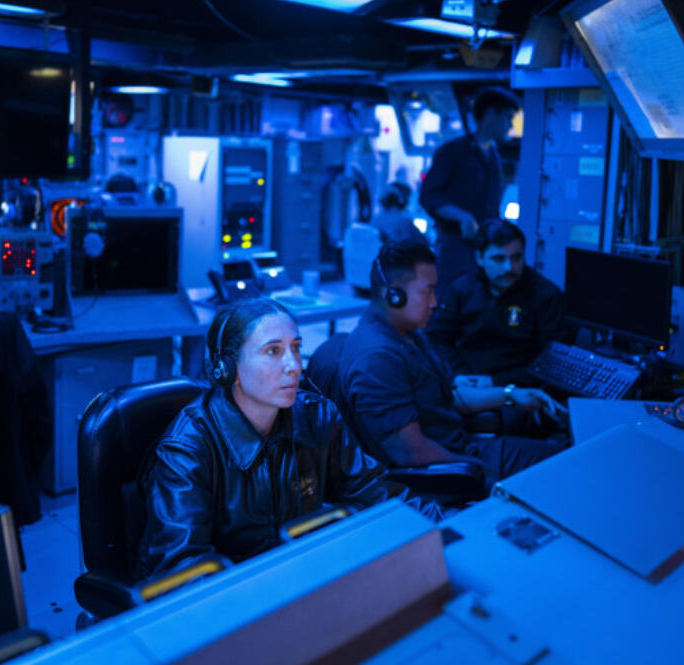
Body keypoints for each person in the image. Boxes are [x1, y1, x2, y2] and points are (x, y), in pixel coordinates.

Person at [135, 298, 435, 580]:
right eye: (273, 351)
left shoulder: (318, 417)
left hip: (302, 582)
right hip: (238, 608)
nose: (294, 365)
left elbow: (377, 495)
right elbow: (181, 570)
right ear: (227, 369)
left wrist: (450, 526)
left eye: (296, 347)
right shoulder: (188, 450)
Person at [339, 240, 561, 488]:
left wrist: (511, 394)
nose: (434, 302)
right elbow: (411, 454)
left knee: (564, 456)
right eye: (428, 291)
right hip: (453, 466)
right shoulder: (378, 359)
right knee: (561, 470)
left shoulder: (406, 334)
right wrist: (479, 472)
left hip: (464, 447)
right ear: (393, 295)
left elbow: (450, 398)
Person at [427, 219, 571, 389]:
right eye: (498, 259)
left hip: (520, 388)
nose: (509, 267)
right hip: (466, 381)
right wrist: (456, 375)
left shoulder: (546, 295)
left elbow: (554, 362)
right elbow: (436, 338)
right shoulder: (463, 289)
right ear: (480, 258)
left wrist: (497, 382)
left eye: (516, 258)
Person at [418, 88, 518, 290]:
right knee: (450, 306)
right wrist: (462, 216)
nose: (510, 126)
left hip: (484, 246)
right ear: (491, 113)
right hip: (456, 247)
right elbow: (428, 195)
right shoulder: (453, 151)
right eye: (508, 117)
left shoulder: (494, 156)